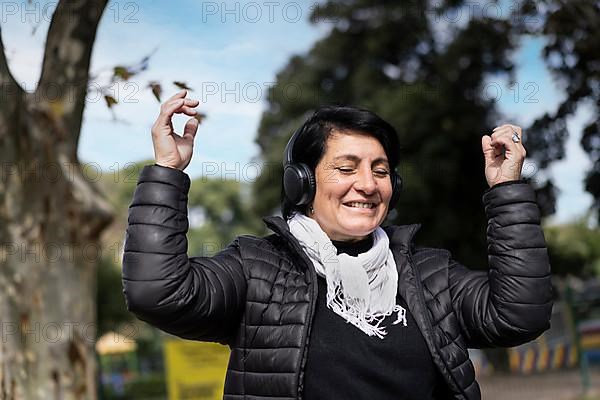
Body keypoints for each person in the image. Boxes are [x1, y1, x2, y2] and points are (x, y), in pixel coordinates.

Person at [122, 90, 553, 400]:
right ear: (302, 183)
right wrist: (167, 171)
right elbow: (158, 292)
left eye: (380, 171)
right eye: (346, 168)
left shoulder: (429, 273)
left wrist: (506, 189)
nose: (366, 185)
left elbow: (518, 315)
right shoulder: (256, 268)